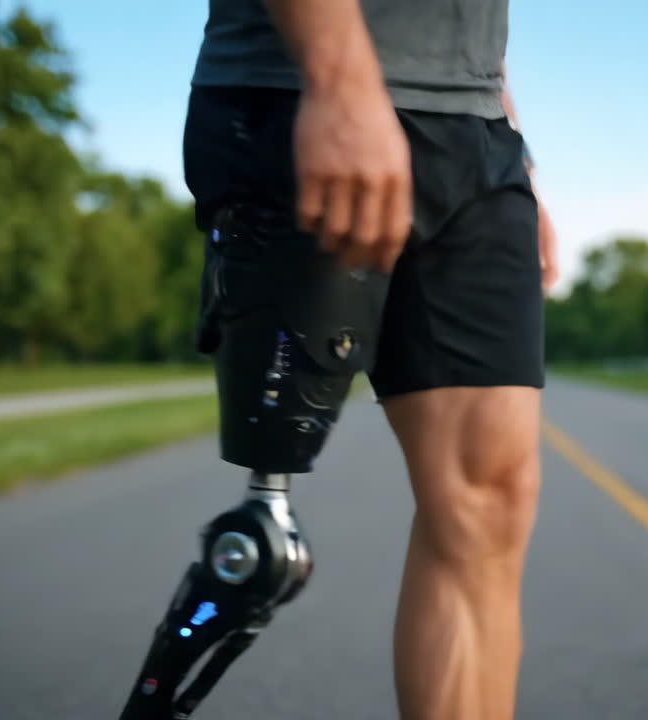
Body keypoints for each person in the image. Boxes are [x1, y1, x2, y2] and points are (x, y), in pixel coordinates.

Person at [182, 2, 557, 718]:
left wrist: (515, 147)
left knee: (491, 500)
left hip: (476, 130)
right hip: (300, 84)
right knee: (263, 523)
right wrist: (342, 81)